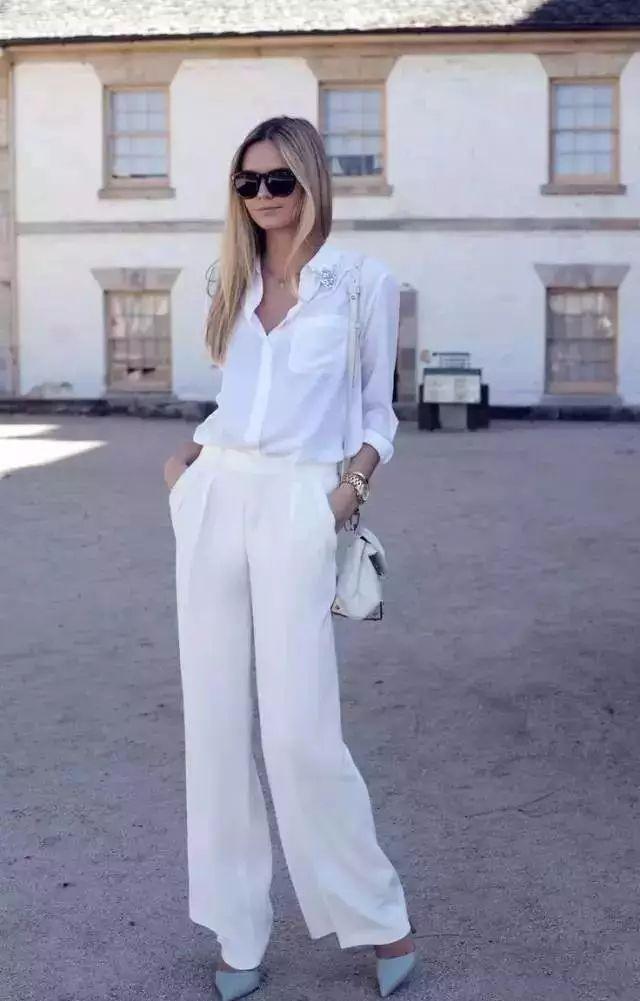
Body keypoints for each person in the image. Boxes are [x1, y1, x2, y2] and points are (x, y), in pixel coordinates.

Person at [163, 116, 417, 1001]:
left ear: (312, 179)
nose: (263, 196)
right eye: (248, 182)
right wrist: (185, 470)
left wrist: (347, 493)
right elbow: (232, 395)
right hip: (214, 493)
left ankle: (380, 916)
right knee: (214, 724)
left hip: (303, 501)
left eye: (279, 179)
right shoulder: (225, 278)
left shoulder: (364, 283)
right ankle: (238, 930)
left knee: (299, 730)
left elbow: (379, 413)